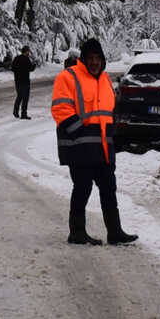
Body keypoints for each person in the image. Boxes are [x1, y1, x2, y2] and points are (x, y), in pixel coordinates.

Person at [50, 35, 138, 246]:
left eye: (98, 58)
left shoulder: (105, 79)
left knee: (109, 188)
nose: (94, 62)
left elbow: (109, 111)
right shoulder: (68, 77)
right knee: (83, 187)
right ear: (83, 59)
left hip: (103, 147)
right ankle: (77, 232)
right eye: (90, 58)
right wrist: (79, 132)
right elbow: (61, 109)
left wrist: (115, 135)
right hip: (79, 147)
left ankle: (115, 232)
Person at [10, 45, 35, 119]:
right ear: (26, 51)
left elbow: (12, 68)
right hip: (25, 81)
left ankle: (15, 111)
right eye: (28, 51)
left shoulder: (16, 58)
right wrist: (34, 65)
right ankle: (23, 114)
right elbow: (31, 68)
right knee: (25, 98)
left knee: (19, 96)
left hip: (17, 81)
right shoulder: (27, 59)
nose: (29, 53)